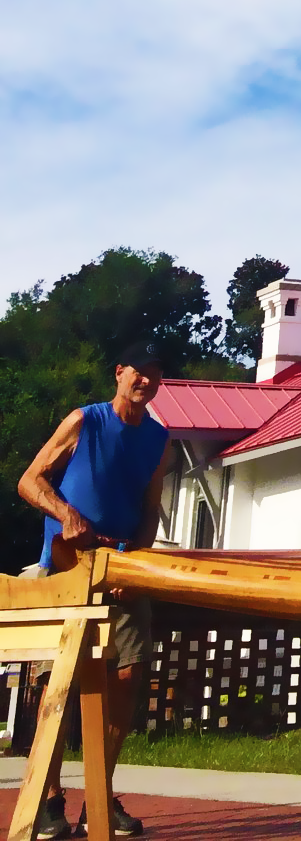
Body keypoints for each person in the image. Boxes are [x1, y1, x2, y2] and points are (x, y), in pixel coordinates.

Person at [17, 342, 175, 840]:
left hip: (121, 570)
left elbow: (151, 509)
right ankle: (47, 801)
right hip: (65, 569)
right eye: (138, 372)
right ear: (119, 373)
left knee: (129, 676)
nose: (145, 381)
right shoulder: (85, 420)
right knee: (56, 687)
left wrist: (136, 563)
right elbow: (29, 480)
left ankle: (98, 797)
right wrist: (68, 515)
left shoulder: (160, 439)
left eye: (154, 374)